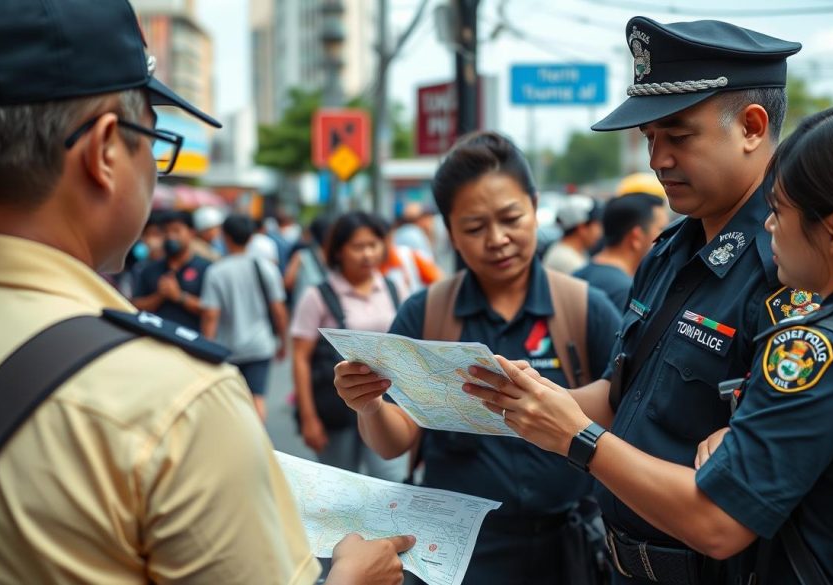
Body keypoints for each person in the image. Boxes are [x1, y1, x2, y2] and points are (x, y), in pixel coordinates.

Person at [467, 99, 833, 584]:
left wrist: (577, 437)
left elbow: (718, 521)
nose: (770, 225)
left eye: (781, 210)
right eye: (649, 138)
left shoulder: (815, 353)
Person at [0, 0, 412, 582]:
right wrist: (352, 577)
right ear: (105, 150)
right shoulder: (175, 400)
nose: (154, 167)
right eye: (152, 140)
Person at [400, 16, 807, 584]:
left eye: (678, 136)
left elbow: (730, 512)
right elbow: (625, 395)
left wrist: (577, 437)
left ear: (752, 127)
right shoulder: (670, 252)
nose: (657, 159)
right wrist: (532, 399)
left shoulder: (791, 267)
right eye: (650, 138)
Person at [335, 131, 622, 585]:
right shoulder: (426, 314)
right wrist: (369, 405)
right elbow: (394, 442)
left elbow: (625, 415)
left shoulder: (587, 309)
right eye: (474, 228)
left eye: (511, 218)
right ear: (450, 231)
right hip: (459, 555)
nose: (498, 239)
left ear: (534, 207)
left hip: (568, 548)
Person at [291, 211, 409, 482]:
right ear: (338, 251)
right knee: (341, 484)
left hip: (389, 405)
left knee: (392, 484)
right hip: (336, 411)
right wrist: (308, 418)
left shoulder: (394, 288)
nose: (367, 254)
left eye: (373, 245)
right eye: (358, 246)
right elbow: (300, 358)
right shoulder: (317, 296)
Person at [201, 214, 289, 421]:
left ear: (225, 236)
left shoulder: (216, 272)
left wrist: (205, 351)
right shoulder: (266, 267)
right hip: (260, 345)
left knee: (230, 403)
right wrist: (283, 342)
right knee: (257, 399)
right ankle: (259, 438)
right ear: (251, 237)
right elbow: (279, 311)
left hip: (227, 348)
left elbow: (211, 316)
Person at [574, 193, 669, 313]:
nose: (668, 237)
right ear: (636, 237)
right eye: (661, 229)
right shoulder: (626, 291)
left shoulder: (579, 274)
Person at [132, 210, 211, 331]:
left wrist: (179, 296)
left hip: (189, 339)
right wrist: (159, 296)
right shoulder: (149, 269)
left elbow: (211, 310)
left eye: (176, 230)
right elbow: (134, 305)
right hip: (154, 336)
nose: (170, 236)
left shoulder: (207, 269)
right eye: (166, 231)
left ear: (191, 233)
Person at [543, 195, 603, 274]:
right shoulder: (565, 259)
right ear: (582, 228)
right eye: (597, 225)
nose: (600, 232)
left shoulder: (575, 252)